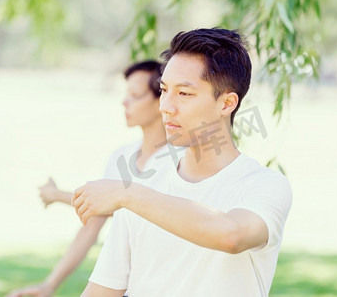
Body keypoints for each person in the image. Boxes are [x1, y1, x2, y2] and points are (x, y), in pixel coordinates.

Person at [73, 28, 293, 297]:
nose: (165, 106)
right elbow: (103, 290)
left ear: (227, 104)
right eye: (164, 90)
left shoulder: (264, 186)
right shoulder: (141, 182)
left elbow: (231, 235)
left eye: (184, 94)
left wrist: (126, 195)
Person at [7, 60, 168, 297]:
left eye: (135, 95)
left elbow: (133, 204)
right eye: (126, 94)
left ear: (161, 100)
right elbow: (92, 225)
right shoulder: (121, 157)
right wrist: (48, 285)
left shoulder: (184, 158)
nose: (125, 101)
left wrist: (57, 195)